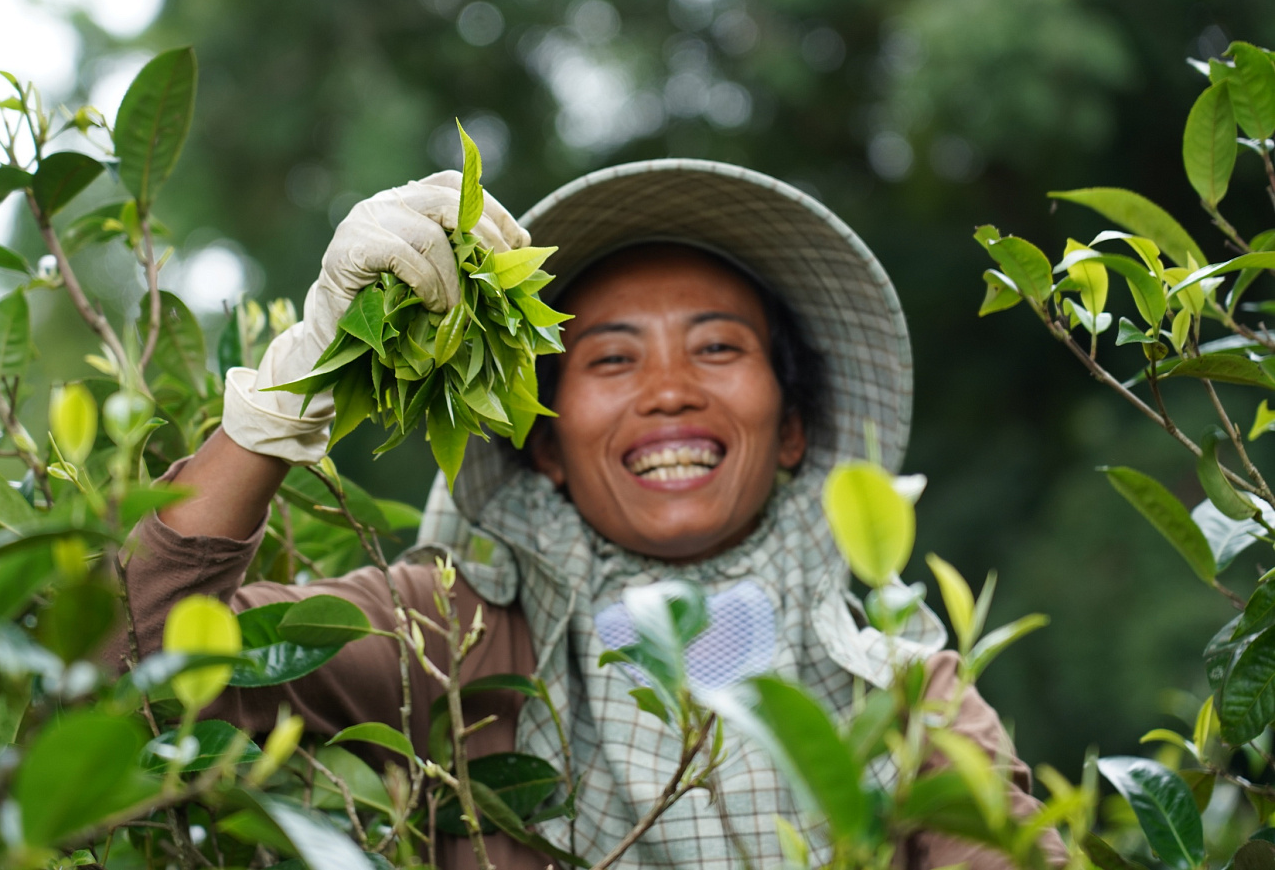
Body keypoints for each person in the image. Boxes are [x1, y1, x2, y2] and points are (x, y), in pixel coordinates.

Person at [114, 162, 1065, 869]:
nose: (667, 392)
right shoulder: (458, 635)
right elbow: (143, 669)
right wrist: (297, 381)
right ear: (545, 445)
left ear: (792, 431)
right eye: (611, 359)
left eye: (718, 347)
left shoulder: (900, 692)